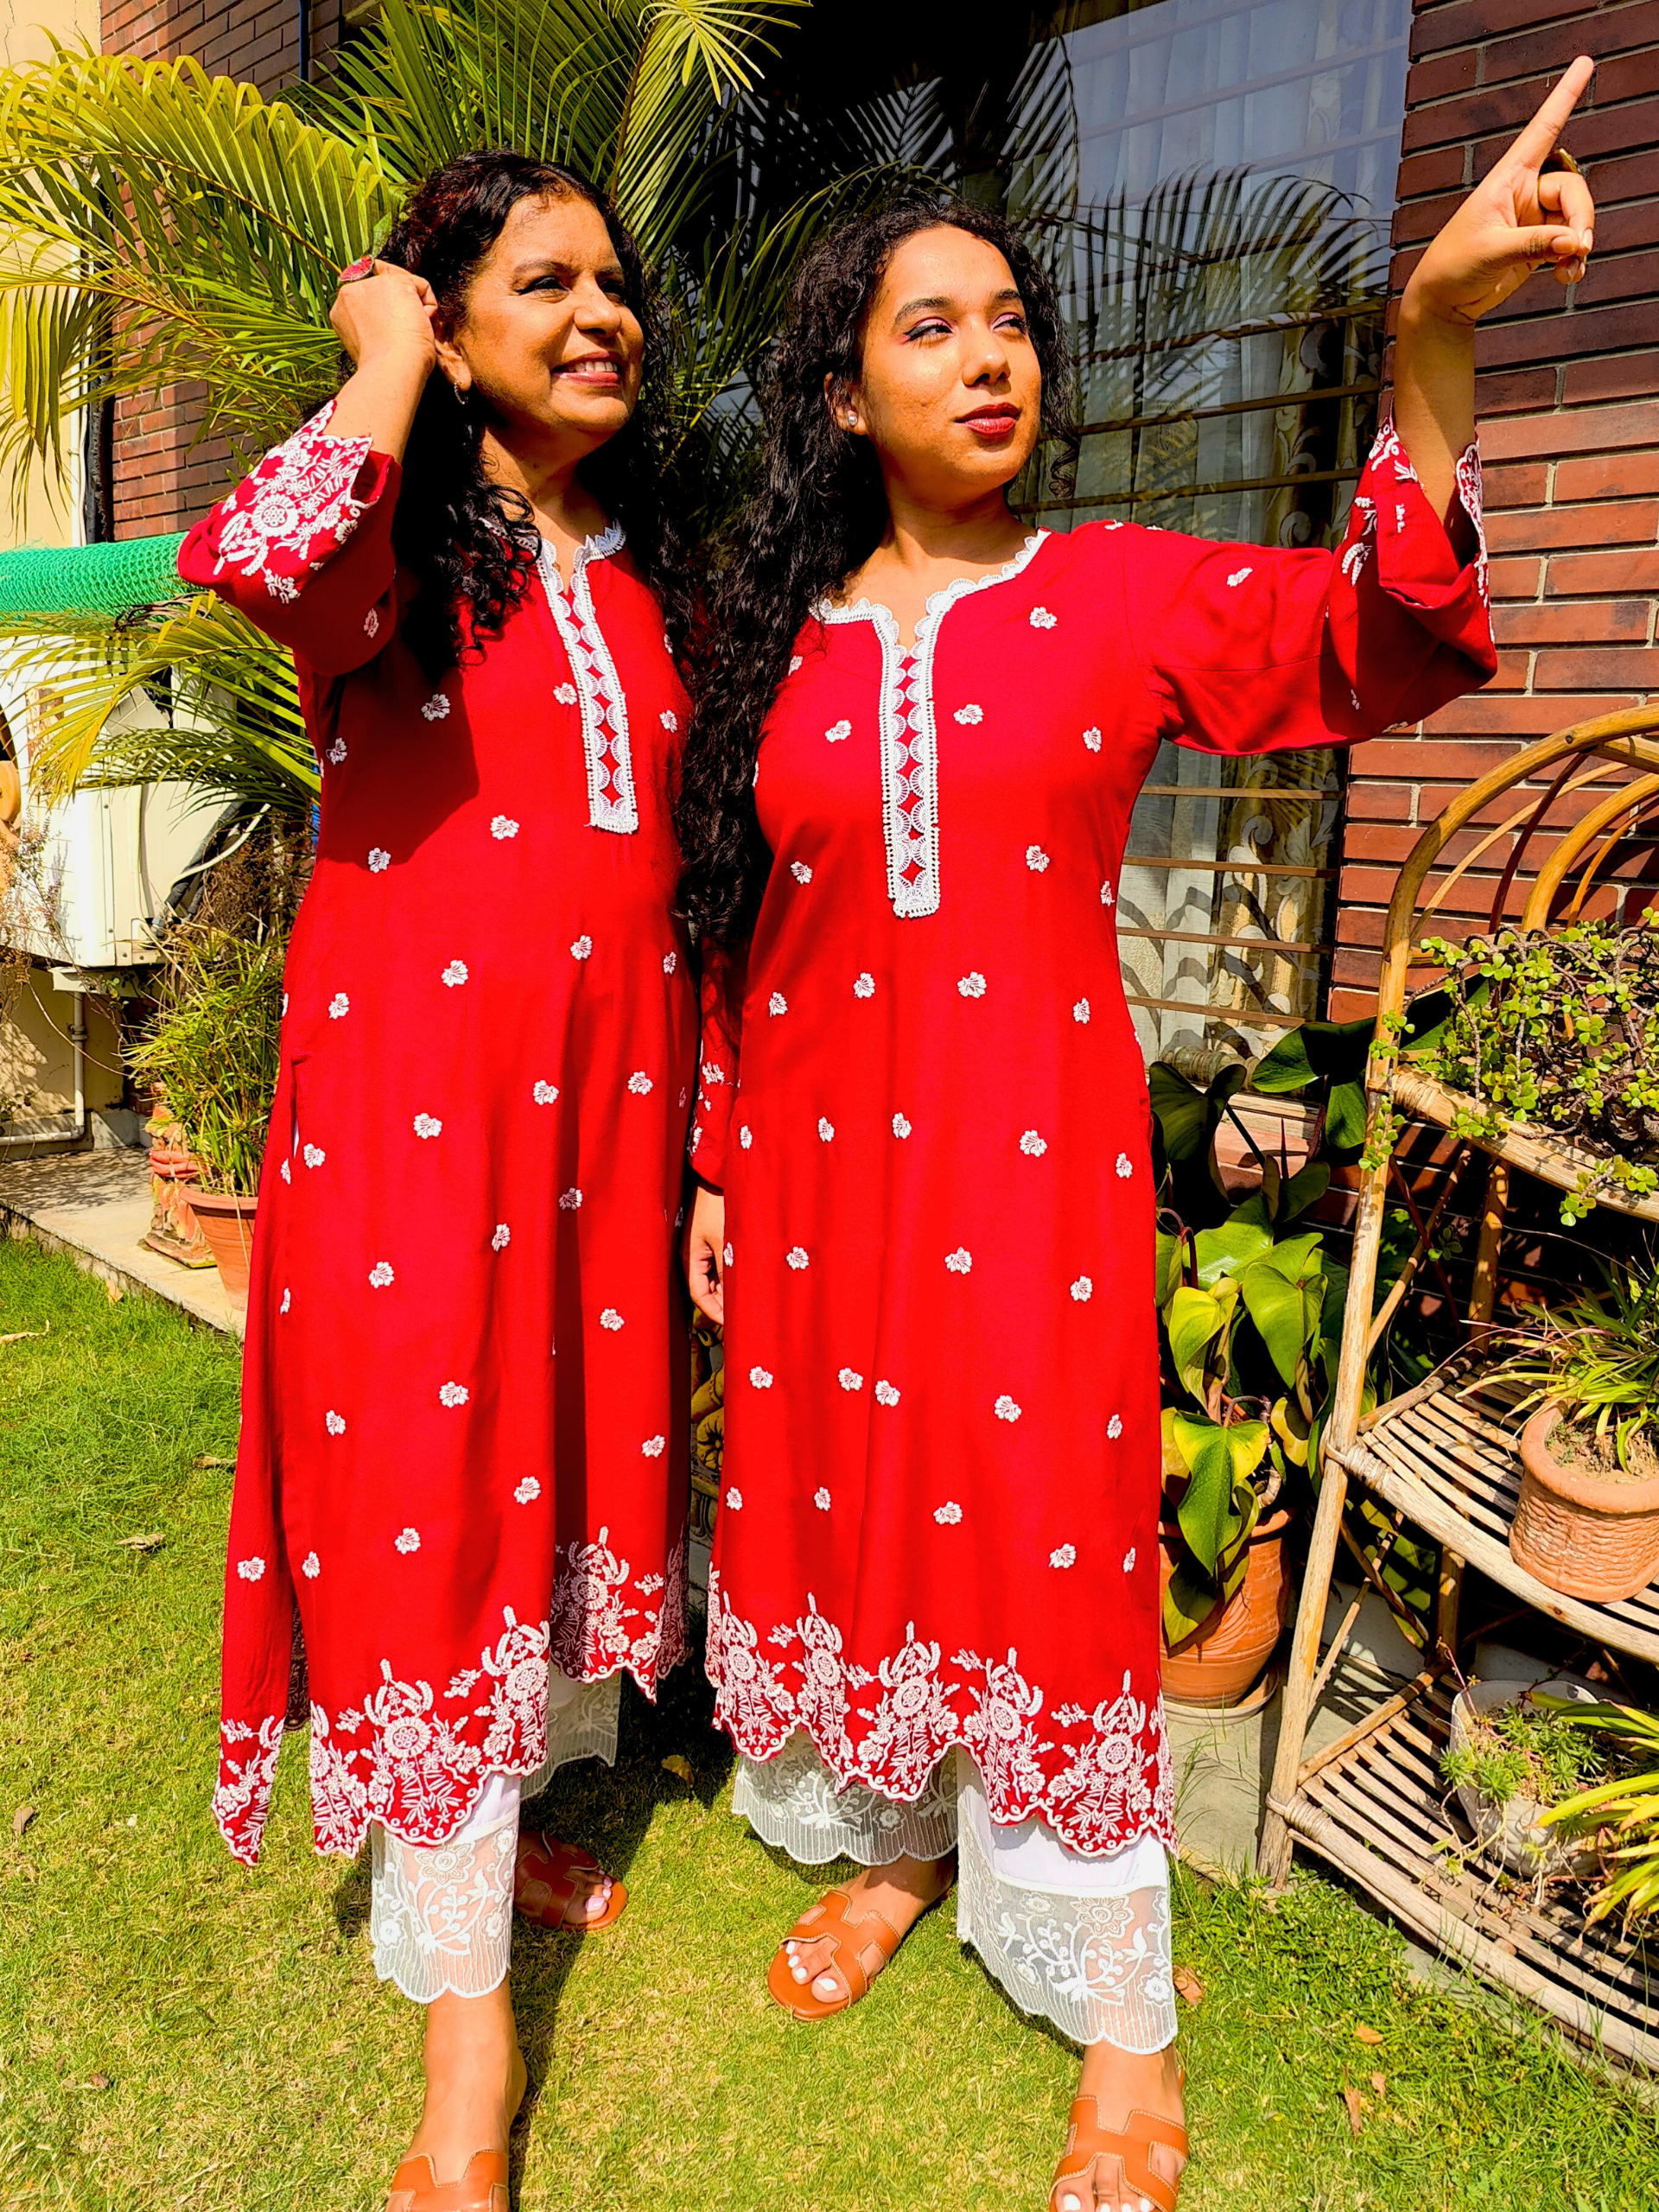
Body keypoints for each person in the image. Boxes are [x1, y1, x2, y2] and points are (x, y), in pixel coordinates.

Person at [676, 61, 1595, 2212]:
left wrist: (1429, 345)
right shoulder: (767, 647)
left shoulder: (1110, 592)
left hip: (1021, 1177)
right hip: (818, 1186)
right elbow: (739, 926)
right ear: (837, 397)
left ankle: (1122, 2010)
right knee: (867, 1505)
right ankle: (903, 1847)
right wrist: (720, 1162)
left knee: (1044, 1538)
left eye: (1009, 319)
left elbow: (1381, 641)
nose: (991, 351)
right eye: (932, 324)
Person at [179, 150, 697, 2210]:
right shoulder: (391, 549)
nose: (599, 314)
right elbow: (260, 550)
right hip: (417, 1128)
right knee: (435, 1513)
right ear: (457, 325)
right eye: (539, 282)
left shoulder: (648, 587)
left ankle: (483, 1835)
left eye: (616, 283)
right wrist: (380, 348)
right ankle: (464, 2061)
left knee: (546, 1492)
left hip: (595, 1146)